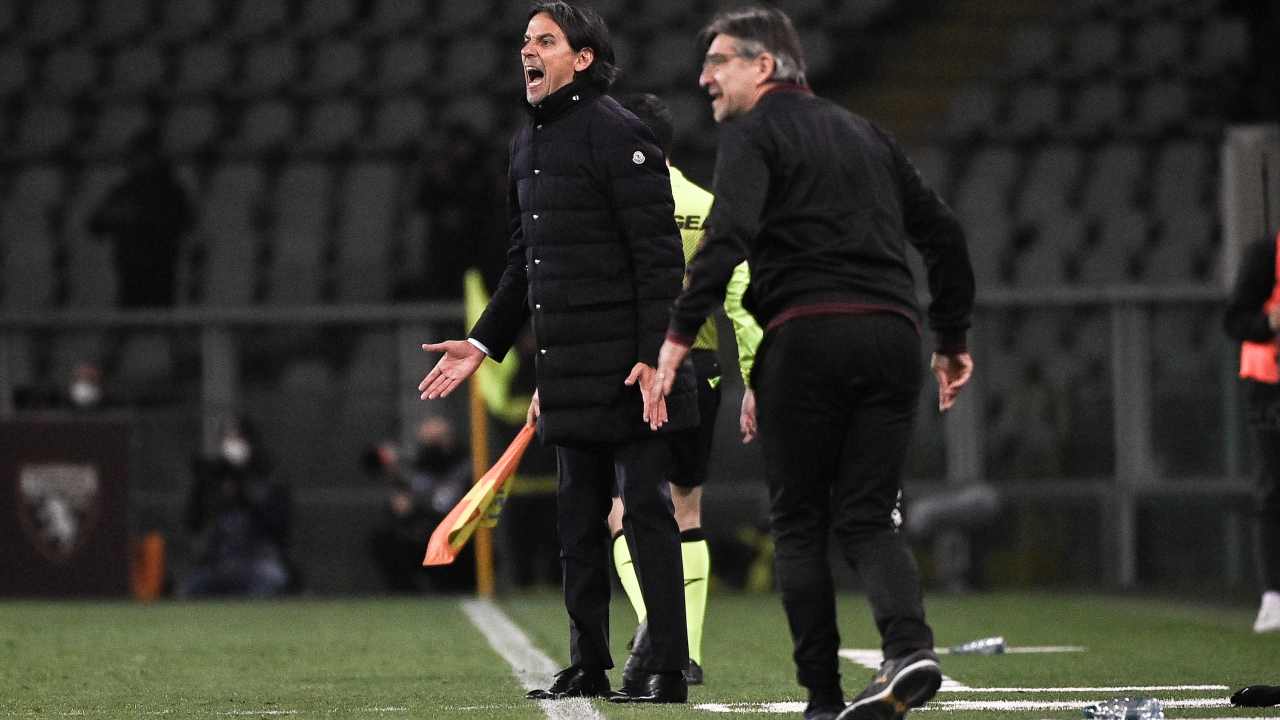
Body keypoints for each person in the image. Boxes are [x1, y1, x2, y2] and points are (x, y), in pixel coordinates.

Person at [653, 7, 975, 720]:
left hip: (805, 334)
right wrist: (950, 338)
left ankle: (824, 700)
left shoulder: (751, 132)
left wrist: (679, 337)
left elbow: (728, 233)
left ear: (763, 66)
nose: (704, 77)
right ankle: (910, 647)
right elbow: (944, 233)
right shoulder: (867, 133)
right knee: (867, 516)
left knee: (798, 523)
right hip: (894, 335)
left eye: (719, 61)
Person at [417, 1, 698, 704]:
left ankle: (667, 663)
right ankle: (589, 662)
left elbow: (660, 260)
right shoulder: (526, 146)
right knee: (576, 522)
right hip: (569, 368)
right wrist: (483, 342)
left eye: (545, 41)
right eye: (524, 42)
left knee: (644, 513)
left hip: (633, 373)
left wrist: (650, 356)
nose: (528, 53)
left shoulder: (622, 136)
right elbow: (523, 265)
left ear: (582, 57)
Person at [607, 92, 763, 688]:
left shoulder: (616, 208)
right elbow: (741, 301)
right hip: (700, 371)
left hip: (632, 371)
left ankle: (655, 627)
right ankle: (685, 649)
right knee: (686, 509)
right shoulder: (708, 206)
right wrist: (754, 377)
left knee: (623, 507)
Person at [1223, 229, 1280, 634]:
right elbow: (1235, 320)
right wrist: (1269, 322)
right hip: (1270, 385)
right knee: (1274, 487)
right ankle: (1274, 597)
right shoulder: (1265, 253)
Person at [180, 416, 294, 598]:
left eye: (238, 439)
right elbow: (192, 522)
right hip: (217, 564)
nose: (232, 446)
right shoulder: (214, 479)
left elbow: (280, 529)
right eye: (228, 440)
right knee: (191, 589)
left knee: (269, 581)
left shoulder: (268, 478)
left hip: (258, 562)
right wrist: (202, 487)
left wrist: (248, 492)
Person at [88, 130, 195, 308]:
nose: (139, 161)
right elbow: (95, 224)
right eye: (136, 156)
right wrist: (116, 216)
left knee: (158, 317)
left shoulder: (172, 191)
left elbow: (184, 221)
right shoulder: (123, 190)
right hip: (128, 268)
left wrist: (139, 217)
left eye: (146, 156)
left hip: (161, 268)